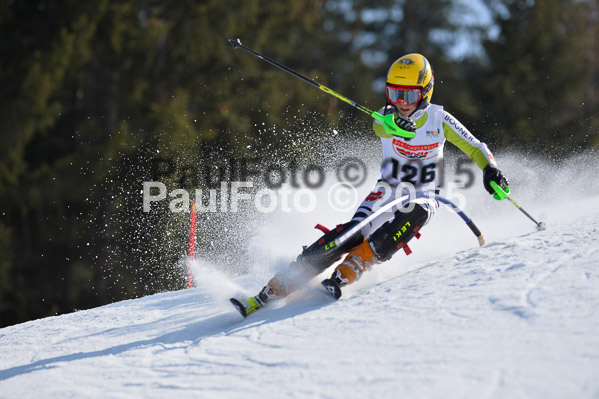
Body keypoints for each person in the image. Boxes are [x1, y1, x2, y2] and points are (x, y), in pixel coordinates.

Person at [230, 53, 509, 317]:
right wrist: (393, 124)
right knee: (351, 233)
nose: (402, 101)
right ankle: (280, 284)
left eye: (409, 94)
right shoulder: (385, 116)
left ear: (426, 91)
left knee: (417, 213)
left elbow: (475, 147)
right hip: (388, 188)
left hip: (424, 193)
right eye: (394, 93)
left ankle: (355, 266)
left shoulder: (439, 119)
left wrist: (491, 170)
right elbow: (382, 127)